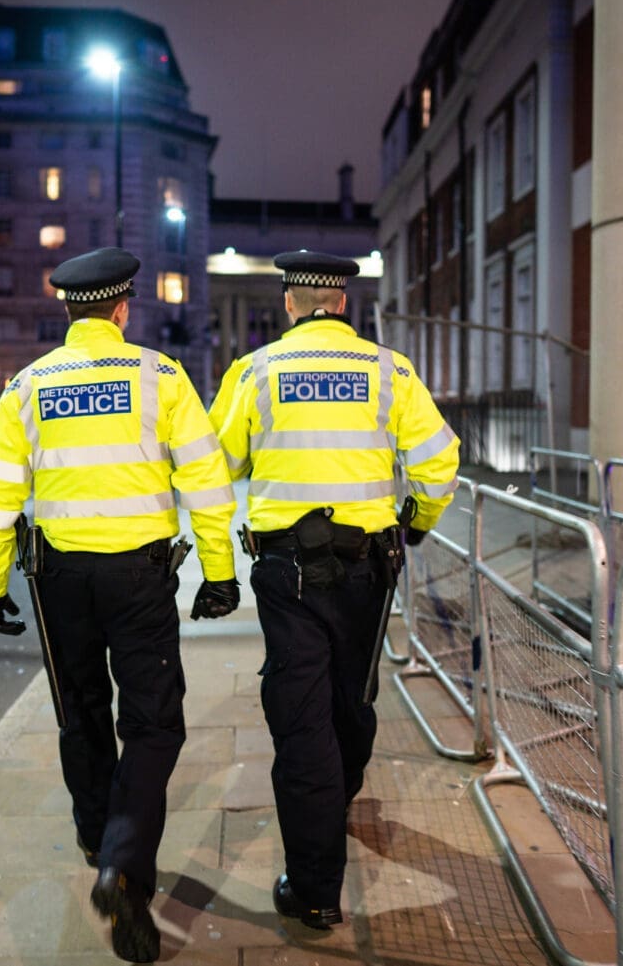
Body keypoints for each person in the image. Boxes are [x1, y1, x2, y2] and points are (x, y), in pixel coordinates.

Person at [0, 247, 239, 963]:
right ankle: (122, 866)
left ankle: (98, 837)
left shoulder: (27, 386)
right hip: (140, 579)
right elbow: (207, 480)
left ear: (67, 309)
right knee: (152, 723)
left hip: (59, 580)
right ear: (123, 310)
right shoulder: (160, 376)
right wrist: (218, 571)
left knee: (79, 712)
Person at [210, 251, 460, 930]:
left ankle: (317, 888)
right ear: (342, 303)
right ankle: (338, 795)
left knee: (301, 714)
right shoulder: (390, 370)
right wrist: (417, 522)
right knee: (351, 697)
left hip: (288, 569)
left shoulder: (255, 371)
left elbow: (218, 460)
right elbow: (440, 459)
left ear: (289, 304)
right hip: (369, 566)